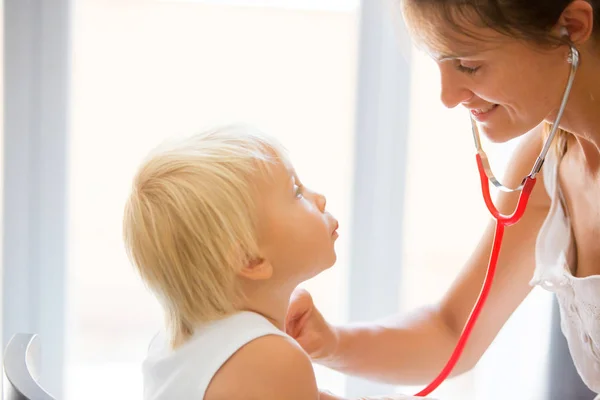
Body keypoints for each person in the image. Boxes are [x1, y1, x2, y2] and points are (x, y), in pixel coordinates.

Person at [285, 0, 600, 397]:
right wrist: (324, 341)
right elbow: (452, 332)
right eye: (437, 62)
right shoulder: (551, 157)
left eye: (468, 66)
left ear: (570, 26)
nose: (447, 96)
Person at [122, 126, 433, 400]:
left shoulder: (173, 342)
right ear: (251, 259)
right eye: (296, 192)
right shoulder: (271, 358)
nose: (319, 198)